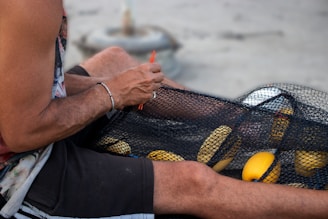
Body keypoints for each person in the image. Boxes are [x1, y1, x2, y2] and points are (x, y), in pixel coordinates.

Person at [0, 1, 327, 218]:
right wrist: (113, 92)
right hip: (17, 174)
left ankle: (243, 125)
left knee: (116, 59)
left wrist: (117, 83)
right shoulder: (30, 5)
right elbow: (23, 131)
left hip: (18, 119)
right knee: (193, 181)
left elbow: (22, 85)